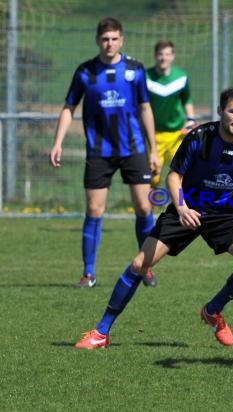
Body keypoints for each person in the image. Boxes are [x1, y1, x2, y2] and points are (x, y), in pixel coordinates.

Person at [74, 86, 233, 350]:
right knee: (140, 263)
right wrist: (183, 207)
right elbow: (174, 175)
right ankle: (102, 332)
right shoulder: (199, 137)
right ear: (221, 111)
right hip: (186, 209)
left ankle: (213, 310)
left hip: (227, 214)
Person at [49, 17, 160, 289]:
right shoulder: (85, 72)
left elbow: (145, 108)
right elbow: (69, 108)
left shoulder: (135, 69)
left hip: (133, 149)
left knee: (144, 207)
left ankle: (144, 267)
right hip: (99, 151)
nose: (109, 43)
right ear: (98, 41)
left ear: (121, 40)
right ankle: (89, 274)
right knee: (94, 210)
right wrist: (57, 142)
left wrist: (153, 149)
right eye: (105, 39)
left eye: (114, 38)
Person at [146, 40, 197, 189]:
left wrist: (191, 119)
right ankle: (147, 210)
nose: (164, 58)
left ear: (173, 56)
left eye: (167, 54)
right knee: (152, 177)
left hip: (177, 135)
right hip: (153, 136)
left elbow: (187, 99)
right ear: (155, 55)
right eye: (160, 54)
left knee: (182, 174)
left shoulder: (181, 77)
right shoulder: (145, 77)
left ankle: (182, 209)